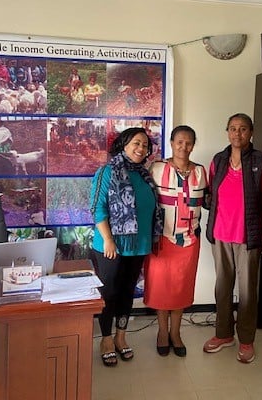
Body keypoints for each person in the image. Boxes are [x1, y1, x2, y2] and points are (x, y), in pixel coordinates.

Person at [203, 113, 262, 364]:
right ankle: (223, 334)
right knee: (222, 288)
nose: (237, 133)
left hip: (249, 236)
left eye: (243, 129)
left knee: (247, 292)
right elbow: (211, 195)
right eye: (233, 128)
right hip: (221, 234)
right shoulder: (219, 160)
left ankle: (246, 339)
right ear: (227, 132)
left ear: (251, 132)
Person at [90, 127, 163, 367]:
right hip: (112, 245)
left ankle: (121, 337)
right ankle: (106, 339)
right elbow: (97, 208)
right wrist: (109, 239)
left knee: (127, 293)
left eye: (145, 145)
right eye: (136, 143)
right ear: (123, 144)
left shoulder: (144, 174)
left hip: (139, 245)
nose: (141, 149)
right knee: (109, 294)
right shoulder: (107, 171)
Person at [144, 125, 209, 358]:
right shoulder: (156, 168)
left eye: (189, 142)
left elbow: (209, 200)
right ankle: (162, 332)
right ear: (171, 143)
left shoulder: (201, 172)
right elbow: (146, 201)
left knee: (181, 287)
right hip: (161, 239)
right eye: (179, 141)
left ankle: (176, 333)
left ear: (193, 145)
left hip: (189, 240)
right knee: (162, 287)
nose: (184, 146)